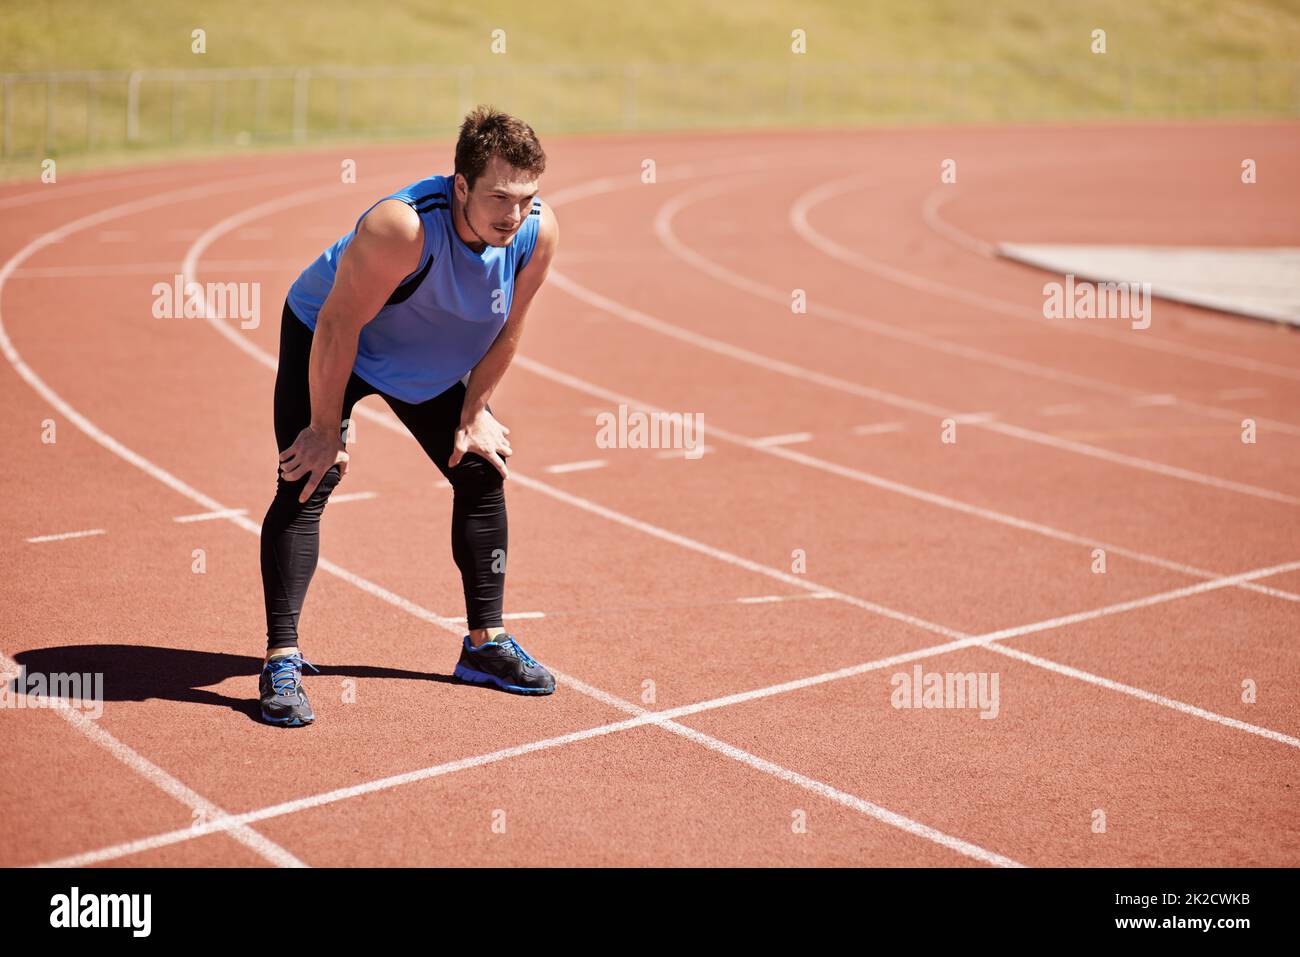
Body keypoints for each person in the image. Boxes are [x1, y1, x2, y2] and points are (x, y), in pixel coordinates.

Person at [257, 105, 559, 727]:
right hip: (337, 338)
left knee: (480, 468)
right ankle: (281, 659)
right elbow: (338, 325)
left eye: (527, 198)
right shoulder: (401, 229)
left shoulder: (536, 232)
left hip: (422, 352)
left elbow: (511, 325)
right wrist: (322, 427)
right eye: (499, 197)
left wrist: (474, 412)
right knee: (307, 477)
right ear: (461, 187)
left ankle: (484, 645)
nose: (514, 213)